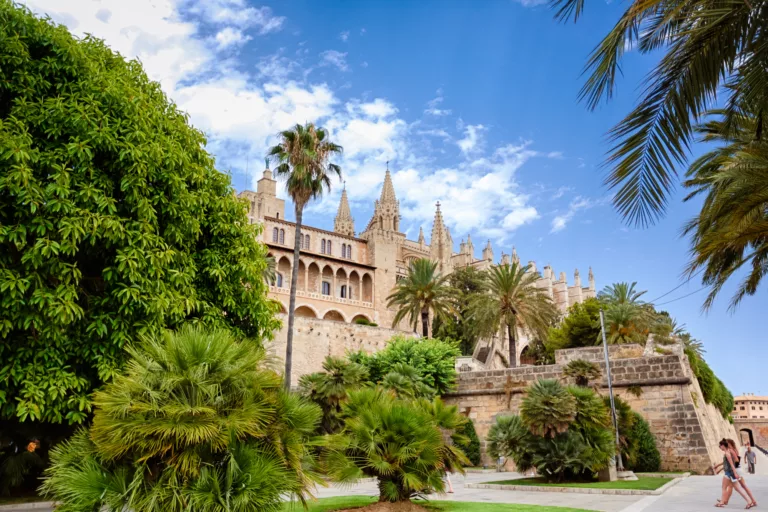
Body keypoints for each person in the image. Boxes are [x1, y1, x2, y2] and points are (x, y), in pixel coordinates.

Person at [712, 439, 751, 508]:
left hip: (728, 473)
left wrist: (735, 473)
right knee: (738, 488)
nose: (720, 447)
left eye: (720, 446)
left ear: (723, 446)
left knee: (724, 487)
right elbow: (732, 462)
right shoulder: (730, 451)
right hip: (731, 472)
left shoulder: (727, 453)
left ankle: (722, 502)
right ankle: (749, 501)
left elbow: (731, 464)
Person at [727, 438, 758, 508]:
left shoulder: (731, 450)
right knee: (737, 486)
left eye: (727, 443)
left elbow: (736, 461)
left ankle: (750, 501)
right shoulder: (734, 450)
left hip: (736, 470)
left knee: (738, 487)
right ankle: (724, 500)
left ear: (729, 443)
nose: (726, 444)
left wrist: (734, 469)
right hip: (737, 469)